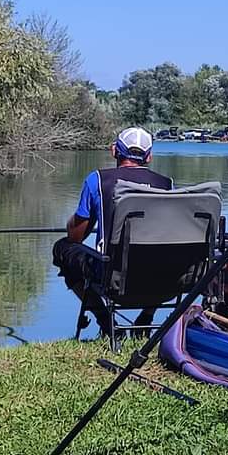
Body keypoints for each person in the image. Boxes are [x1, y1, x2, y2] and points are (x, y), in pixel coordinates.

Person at [52, 127, 173, 335]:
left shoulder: (97, 180)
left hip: (112, 277)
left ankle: (106, 322)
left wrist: (74, 221)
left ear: (114, 150)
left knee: (63, 248)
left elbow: (76, 237)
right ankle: (146, 318)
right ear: (149, 156)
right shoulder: (167, 184)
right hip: (159, 278)